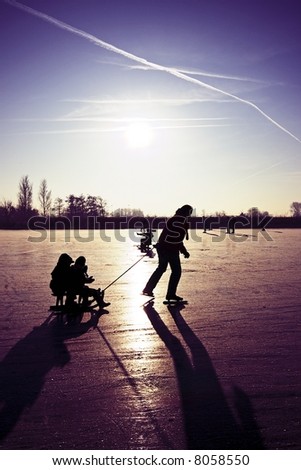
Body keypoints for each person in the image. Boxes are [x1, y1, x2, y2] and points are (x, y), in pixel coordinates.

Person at [142, 204, 193, 301]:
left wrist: (160, 244)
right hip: (170, 249)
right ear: (187, 212)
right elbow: (177, 239)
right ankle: (170, 294)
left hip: (163, 247)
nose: (190, 215)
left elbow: (167, 235)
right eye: (190, 212)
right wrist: (184, 251)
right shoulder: (181, 221)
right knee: (176, 271)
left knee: (161, 268)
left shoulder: (174, 219)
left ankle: (148, 289)